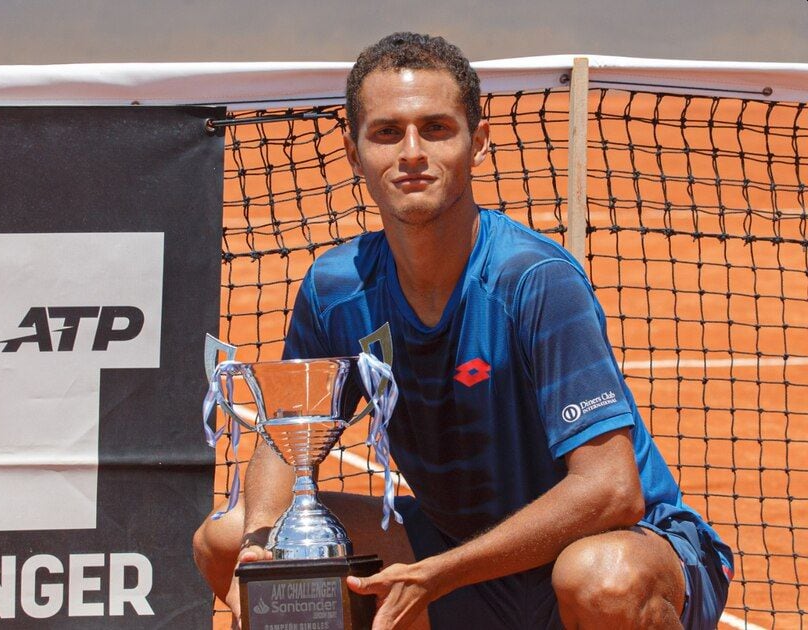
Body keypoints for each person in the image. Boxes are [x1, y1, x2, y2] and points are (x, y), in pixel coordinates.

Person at [193, 32, 733, 630]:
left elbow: (611, 490)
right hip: (453, 547)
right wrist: (263, 549)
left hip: (617, 543)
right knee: (226, 538)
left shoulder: (534, 281)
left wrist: (442, 573)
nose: (413, 151)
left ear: (477, 145)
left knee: (603, 579)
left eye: (437, 128)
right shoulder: (335, 289)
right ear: (352, 153)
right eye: (387, 132)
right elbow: (282, 438)